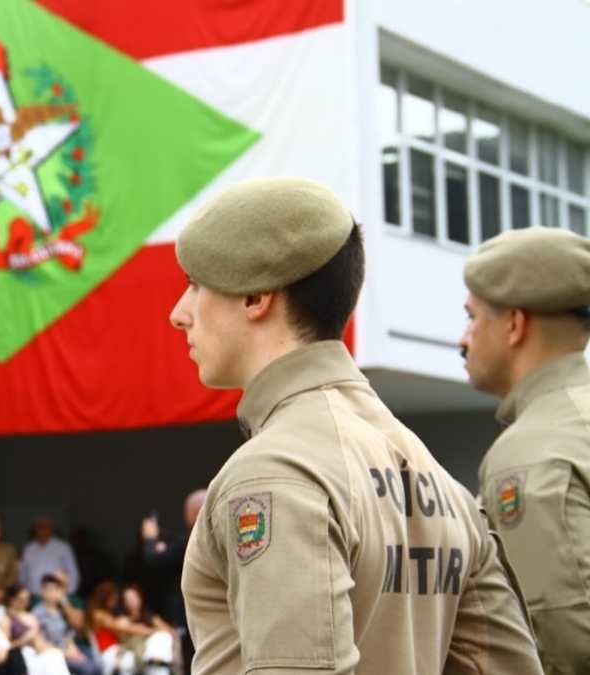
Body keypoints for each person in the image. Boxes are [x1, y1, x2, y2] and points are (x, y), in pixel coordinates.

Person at [169, 177, 542, 673]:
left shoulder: (275, 470)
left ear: (256, 296)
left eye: (197, 285)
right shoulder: (438, 480)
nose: (180, 313)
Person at [460, 226, 590, 672]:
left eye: (472, 317)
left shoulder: (531, 451)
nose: (463, 338)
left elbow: (568, 636)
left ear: (514, 325)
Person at [138, 490, 204, 661]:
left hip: (192, 612)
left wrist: (150, 540)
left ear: (192, 513)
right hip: (212, 609)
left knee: (191, 661)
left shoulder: (195, 538)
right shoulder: (213, 534)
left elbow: (156, 562)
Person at [34, 574, 98, 675]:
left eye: (55, 589)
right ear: (42, 591)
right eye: (49, 589)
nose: (52, 593)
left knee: (96, 666)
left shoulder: (63, 610)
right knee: (88, 670)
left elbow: (78, 626)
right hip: (53, 654)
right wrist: (65, 653)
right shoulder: (37, 613)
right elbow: (39, 642)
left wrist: (64, 603)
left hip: (70, 648)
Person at [1, 584, 71, 675]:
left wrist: (58, 650)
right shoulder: (6, 620)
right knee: (52, 658)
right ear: (12, 599)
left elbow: (41, 641)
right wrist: (25, 638)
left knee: (55, 654)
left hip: (39, 651)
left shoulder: (31, 616)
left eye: (27, 599)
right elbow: (5, 648)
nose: (25, 603)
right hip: (22, 656)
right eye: (21, 600)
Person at [20, 517, 80, 596]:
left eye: (46, 527)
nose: (42, 530)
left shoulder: (63, 547)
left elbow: (73, 572)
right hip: (34, 596)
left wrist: (69, 593)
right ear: (35, 529)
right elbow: (23, 574)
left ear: (51, 529)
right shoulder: (29, 549)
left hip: (56, 596)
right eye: (40, 527)